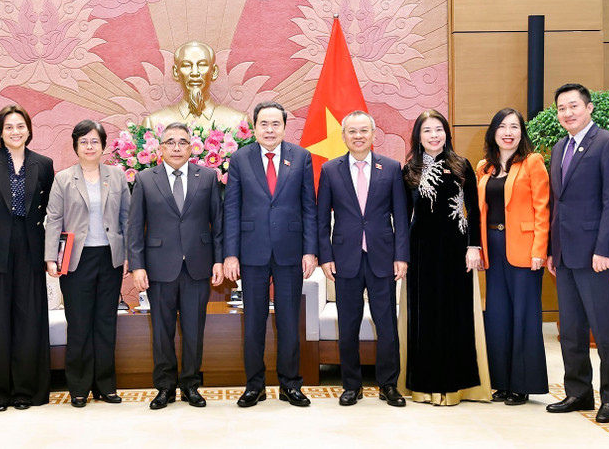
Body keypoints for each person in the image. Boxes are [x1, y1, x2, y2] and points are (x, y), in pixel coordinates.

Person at [223, 101, 318, 408]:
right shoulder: (239, 158)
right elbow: (232, 210)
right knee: (253, 321)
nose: (269, 129)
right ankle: (255, 385)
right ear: (254, 127)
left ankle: (291, 385)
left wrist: (310, 250)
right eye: (264, 124)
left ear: (285, 127)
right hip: (251, 252)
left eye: (275, 124)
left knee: (289, 321)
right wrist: (231, 255)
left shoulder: (301, 157)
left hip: (291, 251)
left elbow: (309, 207)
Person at [545, 83, 609, 423]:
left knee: (604, 329)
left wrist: (603, 249)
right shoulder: (559, 147)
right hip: (565, 255)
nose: (567, 113)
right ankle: (578, 392)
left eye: (573, 106)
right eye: (562, 108)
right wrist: (553, 250)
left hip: (595, 254)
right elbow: (557, 203)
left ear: (589, 107)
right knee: (571, 330)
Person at [127, 122, 224, 410]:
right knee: (162, 330)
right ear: (160, 148)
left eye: (183, 142)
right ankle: (165, 387)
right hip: (158, 267)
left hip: (198, 265)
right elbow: (135, 226)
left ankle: (191, 385)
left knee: (194, 330)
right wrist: (137, 266)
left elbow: (217, 223)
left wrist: (219, 259)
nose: (177, 147)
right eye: (171, 142)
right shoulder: (145, 179)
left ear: (192, 146)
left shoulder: (207, 176)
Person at [0, 104, 54, 411]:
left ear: (29, 129)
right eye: (9, 127)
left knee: (29, 319)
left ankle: (25, 391)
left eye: (20, 126)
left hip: (30, 246)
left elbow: (49, 211)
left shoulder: (43, 163)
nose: (15, 132)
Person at [398, 109, 491, 405]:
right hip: (421, 250)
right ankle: (423, 386)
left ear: (447, 133)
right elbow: (402, 217)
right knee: (424, 317)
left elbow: (475, 210)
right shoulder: (409, 170)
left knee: (455, 315)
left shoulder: (461, 164)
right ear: (418, 136)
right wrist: (400, 254)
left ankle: (456, 386)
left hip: (455, 248)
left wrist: (473, 246)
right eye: (427, 131)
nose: (434, 135)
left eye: (438, 129)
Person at [317, 111, 409, 407]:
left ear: (373, 134)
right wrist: (325, 257)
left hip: (383, 257)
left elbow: (402, 218)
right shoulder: (330, 170)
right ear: (344, 136)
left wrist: (401, 256)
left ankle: (388, 384)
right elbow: (321, 221)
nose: (358, 136)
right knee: (349, 325)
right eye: (352, 131)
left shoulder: (392, 168)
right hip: (344, 258)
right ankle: (351, 385)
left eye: (363, 131)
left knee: (386, 325)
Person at [44, 120, 130, 408]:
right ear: (75, 146)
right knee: (79, 324)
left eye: (94, 141)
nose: (89, 146)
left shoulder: (117, 176)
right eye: (84, 141)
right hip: (75, 260)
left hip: (109, 258)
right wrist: (49, 257)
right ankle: (79, 387)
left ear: (103, 145)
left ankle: (105, 386)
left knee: (106, 323)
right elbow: (54, 219)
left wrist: (129, 254)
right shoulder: (64, 178)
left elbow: (126, 218)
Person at [476, 108, 549, 405]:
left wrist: (539, 251)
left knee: (525, 317)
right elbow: (477, 210)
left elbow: (543, 210)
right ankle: (501, 382)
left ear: (522, 133)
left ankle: (522, 384)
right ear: (493, 131)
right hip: (492, 247)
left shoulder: (532, 162)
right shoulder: (484, 167)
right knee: (497, 317)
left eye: (514, 127)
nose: (508, 132)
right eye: (502, 126)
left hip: (524, 248)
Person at [142, 40, 249, 130]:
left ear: (214, 71)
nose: (194, 73)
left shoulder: (238, 122)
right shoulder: (153, 123)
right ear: (175, 72)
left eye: (202, 65)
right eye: (186, 65)